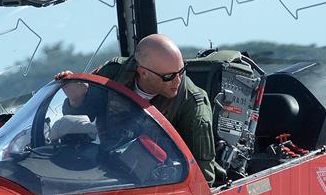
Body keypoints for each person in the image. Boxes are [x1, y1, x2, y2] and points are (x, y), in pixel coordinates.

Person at [56, 34, 216, 185]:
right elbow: (79, 114)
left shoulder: (192, 104)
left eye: (181, 72)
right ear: (143, 72)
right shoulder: (113, 75)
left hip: (159, 184)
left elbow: (203, 179)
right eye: (169, 77)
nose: (178, 81)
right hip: (107, 174)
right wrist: (76, 97)